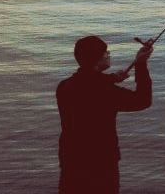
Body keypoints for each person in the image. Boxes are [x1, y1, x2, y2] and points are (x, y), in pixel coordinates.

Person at [57, 35, 154, 194]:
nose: (108, 55)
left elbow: (87, 84)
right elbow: (142, 100)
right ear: (96, 58)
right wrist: (141, 64)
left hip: (71, 160)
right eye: (105, 53)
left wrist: (111, 79)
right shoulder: (107, 92)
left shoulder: (64, 87)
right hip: (101, 163)